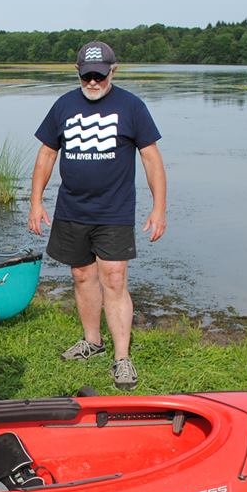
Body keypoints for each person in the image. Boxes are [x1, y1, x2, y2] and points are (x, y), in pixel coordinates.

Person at [28, 41, 167, 390]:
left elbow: (151, 159)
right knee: (81, 276)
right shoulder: (63, 105)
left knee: (115, 279)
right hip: (72, 209)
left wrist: (159, 208)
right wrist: (35, 202)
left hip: (114, 210)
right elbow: (46, 155)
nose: (93, 82)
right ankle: (93, 341)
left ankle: (122, 358)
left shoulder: (131, 106)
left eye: (100, 76)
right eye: (87, 75)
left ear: (113, 71)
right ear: (77, 71)